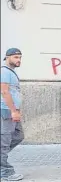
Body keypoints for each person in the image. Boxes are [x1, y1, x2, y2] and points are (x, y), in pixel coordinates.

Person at [1, 48, 24, 181]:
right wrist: (13, 110)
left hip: (12, 110)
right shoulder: (4, 71)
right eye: (15, 57)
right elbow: (4, 92)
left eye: (20, 57)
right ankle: (5, 173)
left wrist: (17, 109)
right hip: (5, 111)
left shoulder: (11, 71)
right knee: (3, 143)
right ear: (7, 57)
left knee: (18, 135)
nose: (19, 60)